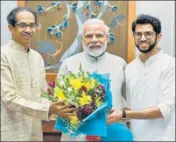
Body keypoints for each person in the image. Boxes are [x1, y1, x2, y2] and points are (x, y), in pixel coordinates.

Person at [1, 7, 75, 141]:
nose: (28, 30)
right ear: (11, 28)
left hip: (34, 131)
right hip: (10, 130)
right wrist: (49, 108)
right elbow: (9, 99)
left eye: (32, 25)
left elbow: (42, 94)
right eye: (22, 25)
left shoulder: (37, 58)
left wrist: (64, 106)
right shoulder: (3, 55)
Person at [57, 18, 127, 141]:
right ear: (82, 39)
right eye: (89, 36)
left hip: (113, 130)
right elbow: (59, 101)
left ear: (106, 38)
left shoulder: (120, 63)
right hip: (77, 133)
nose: (94, 40)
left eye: (99, 35)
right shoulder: (69, 64)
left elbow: (129, 100)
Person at [107, 14, 175, 141]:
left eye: (148, 34)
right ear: (133, 37)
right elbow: (131, 105)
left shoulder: (171, 65)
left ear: (158, 36)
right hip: (136, 137)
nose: (143, 38)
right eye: (138, 34)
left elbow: (164, 110)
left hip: (164, 137)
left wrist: (123, 114)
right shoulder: (129, 68)